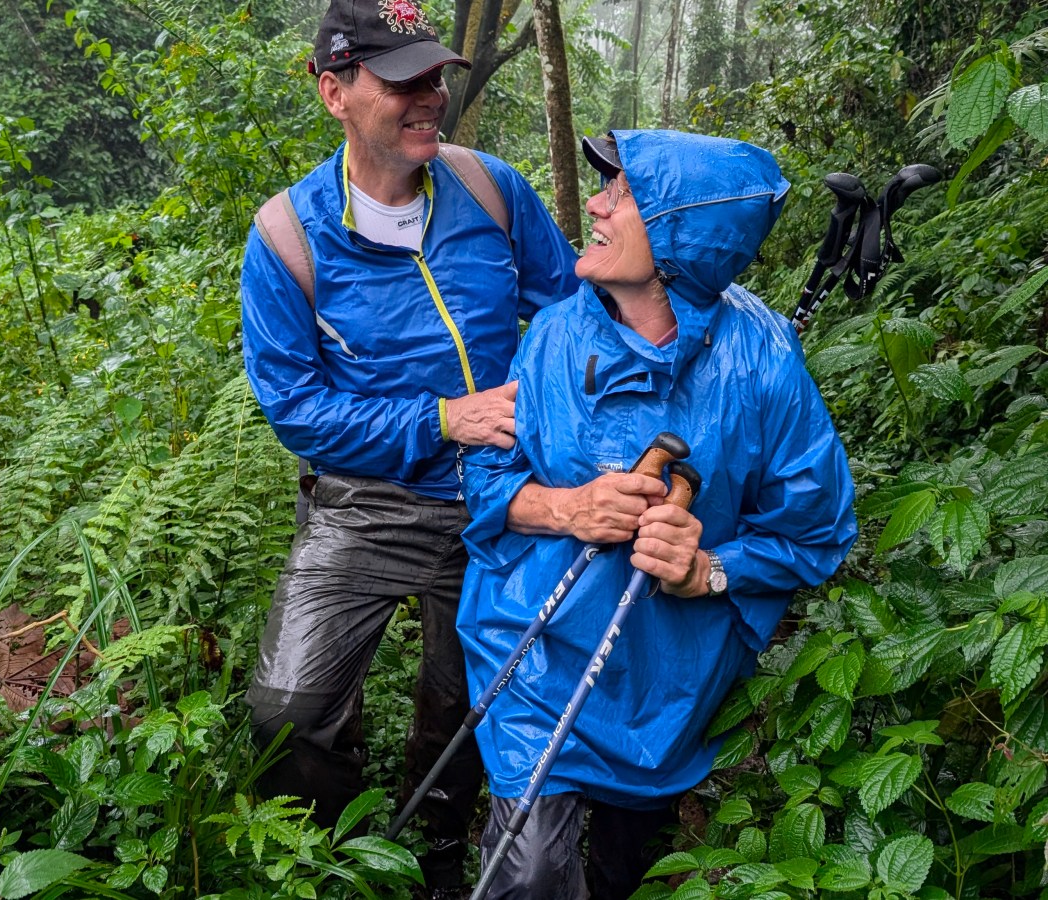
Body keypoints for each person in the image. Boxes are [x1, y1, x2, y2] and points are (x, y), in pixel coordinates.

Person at [457, 129, 858, 899]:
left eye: (622, 194)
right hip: (538, 646)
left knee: (626, 873)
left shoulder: (762, 359)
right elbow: (488, 477)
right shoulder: (554, 336)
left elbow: (816, 530)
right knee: (532, 871)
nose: (594, 205)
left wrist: (709, 570)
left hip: (668, 680)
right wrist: (568, 507)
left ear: (682, 235)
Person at [238, 0, 581, 893]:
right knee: (288, 709)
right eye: (402, 82)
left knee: (466, 700)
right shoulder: (287, 236)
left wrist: (542, 416)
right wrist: (439, 418)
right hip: (366, 503)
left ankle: (432, 852)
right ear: (334, 92)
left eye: (433, 76)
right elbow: (296, 409)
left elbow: (566, 311)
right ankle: (332, 858)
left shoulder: (489, 188)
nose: (429, 96)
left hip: (502, 492)